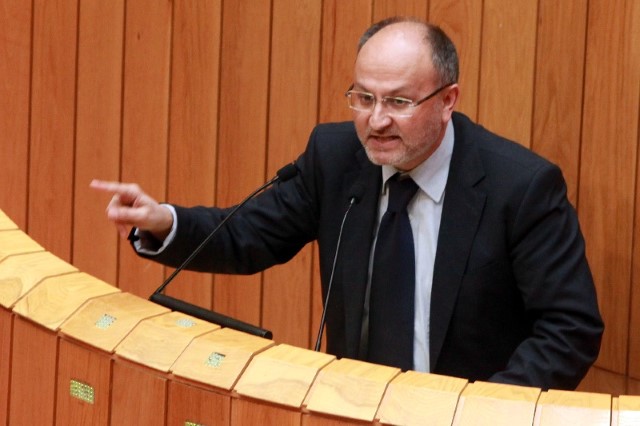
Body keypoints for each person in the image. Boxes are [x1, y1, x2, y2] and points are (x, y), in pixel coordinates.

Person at [91, 17, 603, 390]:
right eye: (363, 97)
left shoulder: (521, 186)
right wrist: (164, 222)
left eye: (398, 102)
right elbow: (251, 235)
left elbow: (569, 329)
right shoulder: (336, 156)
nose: (376, 120)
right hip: (351, 405)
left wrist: (484, 409)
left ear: (448, 101)